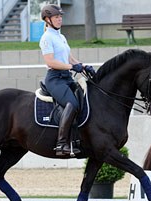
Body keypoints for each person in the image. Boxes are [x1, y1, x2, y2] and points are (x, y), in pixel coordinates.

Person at [39, 4, 96, 156]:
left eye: (60, 17)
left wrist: (83, 66)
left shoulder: (61, 37)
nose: (60, 19)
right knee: (72, 103)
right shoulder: (46, 38)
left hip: (66, 78)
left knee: (84, 100)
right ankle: (62, 144)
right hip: (55, 79)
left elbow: (70, 58)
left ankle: (78, 140)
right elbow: (50, 62)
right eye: (56, 17)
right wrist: (71, 66)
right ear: (48, 19)